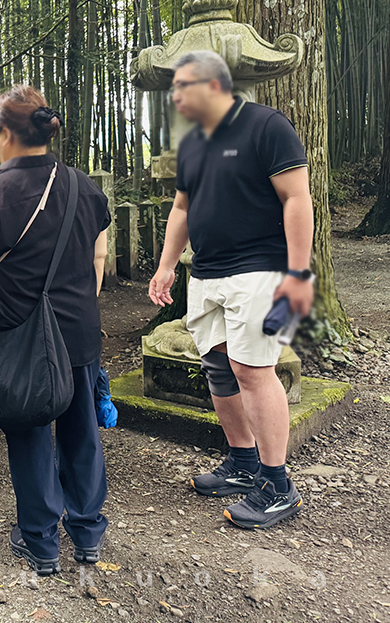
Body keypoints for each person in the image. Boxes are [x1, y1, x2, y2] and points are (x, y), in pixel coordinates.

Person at [0, 85, 111, 574]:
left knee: (29, 432)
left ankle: (40, 542)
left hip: (18, 337)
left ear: (5, 133)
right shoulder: (83, 186)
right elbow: (99, 256)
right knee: (81, 431)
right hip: (77, 335)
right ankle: (88, 532)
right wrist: (76, 309)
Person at [149, 50, 313, 530]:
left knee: (252, 367)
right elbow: (182, 209)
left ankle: (278, 483)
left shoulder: (267, 126)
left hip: (259, 268)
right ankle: (242, 462)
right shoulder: (194, 143)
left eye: (183, 86)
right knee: (218, 366)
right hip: (207, 272)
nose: (175, 96)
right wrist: (166, 267)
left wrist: (298, 274)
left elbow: (296, 199)